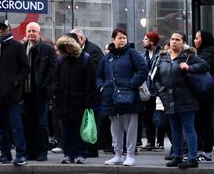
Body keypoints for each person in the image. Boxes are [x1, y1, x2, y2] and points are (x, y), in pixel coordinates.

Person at [154, 31, 208, 169]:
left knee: (188, 128)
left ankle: (192, 158)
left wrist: (189, 67)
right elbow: (155, 77)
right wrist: (160, 90)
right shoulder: (163, 57)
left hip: (186, 98)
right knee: (174, 129)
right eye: (172, 39)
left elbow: (205, 66)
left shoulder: (189, 56)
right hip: (169, 98)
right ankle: (177, 156)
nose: (174, 41)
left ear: (183, 42)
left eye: (177, 39)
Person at [96, 28, 148, 166]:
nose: (123, 40)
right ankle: (118, 154)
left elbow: (143, 70)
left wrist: (131, 84)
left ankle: (130, 155)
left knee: (130, 127)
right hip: (111, 96)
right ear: (113, 39)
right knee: (115, 126)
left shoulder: (133, 54)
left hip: (129, 96)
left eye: (124, 37)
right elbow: (99, 75)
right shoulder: (107, 57)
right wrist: (102, 86)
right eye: (119, 38)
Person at [0, 20, 30, 166]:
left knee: (15, 125)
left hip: (11, 95)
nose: (1, 31)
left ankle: (21, 154)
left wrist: (15, 82)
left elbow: (25, 68)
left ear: (9, 29)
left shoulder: (17, 46)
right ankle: (5, 154)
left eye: (4, 28)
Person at [53, 33, 97, 164]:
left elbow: (90, 82)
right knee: (67, 130)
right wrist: (56, 93)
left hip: (80, 102)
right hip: (64, 101)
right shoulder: (62, 60)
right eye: (64, 46)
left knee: (79, 129)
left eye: (68, 45)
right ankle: (68, 153)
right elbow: (56, 78)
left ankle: (80, 153)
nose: (66, 48)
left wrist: (89, 102)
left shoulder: (85, 59)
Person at [22, 22, 57, 161]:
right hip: (26, 93)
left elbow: (52, 70)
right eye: (29, 31)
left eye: (34, 31)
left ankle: (42, 152)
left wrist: (45, 86)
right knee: (28, 124)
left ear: (39, 33)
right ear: (26, 33)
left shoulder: (48, 49)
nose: (31, 33)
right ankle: (30, 152)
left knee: (42, 124)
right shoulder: (22, 48)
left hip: (41, 94)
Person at [70, 28, 103, 157]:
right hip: (80, 93)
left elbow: (97, 70)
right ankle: (84, 148)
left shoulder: (93, 50)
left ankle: (92, 148)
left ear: (82, 38)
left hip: (92, 93)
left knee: (91, 122)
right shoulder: (75, 51)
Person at [141, 31, 164, 151]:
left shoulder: (161, 54)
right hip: (147, 91)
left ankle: (160, 142)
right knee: (148, 116)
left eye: (146, 39)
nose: (143, 41)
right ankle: (150, 142)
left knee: (161, 117)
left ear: (152, 41)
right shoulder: (143, 56)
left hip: (159, 91)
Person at [193, 30, 214, 163]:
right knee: (201, 121)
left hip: (207, 92)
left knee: (206, 121)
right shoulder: (204, 52)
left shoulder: (209, 51)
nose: (194, 41)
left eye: (196, 38)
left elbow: (201, 66)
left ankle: (207, 152)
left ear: (204, 39)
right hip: (204, 92)